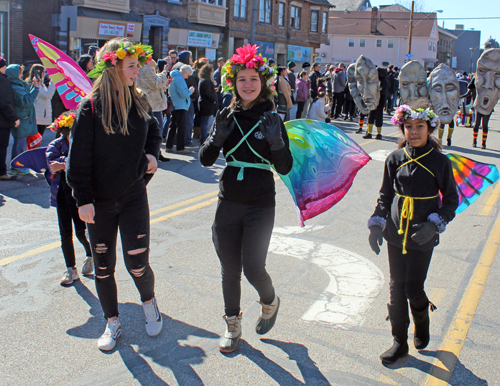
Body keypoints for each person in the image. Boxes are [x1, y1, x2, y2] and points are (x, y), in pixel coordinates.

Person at [67, 38, 163, 351]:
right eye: (132, 66)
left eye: (138, 65)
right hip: (100, 203)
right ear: (114, 67)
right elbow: (77, 160)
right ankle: (112, 322)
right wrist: (83, 199)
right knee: (104, 266)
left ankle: (148, 301)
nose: (138, 71)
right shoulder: (90, 108)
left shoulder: (140, 101)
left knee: (137, 264)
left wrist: (151, 154)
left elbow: (154, 131)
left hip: (133, 196)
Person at [199, 44, 293, 353]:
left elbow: (285, 167)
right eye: (242, 79)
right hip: (228, 201)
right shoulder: (226, 114)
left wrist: (277, 143)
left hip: (260, 204)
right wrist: (216, 138)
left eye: (254, 78)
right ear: (233, 83)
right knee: (230, 267)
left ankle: (270, 301)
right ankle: (232, 324)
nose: (248, 84)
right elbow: (205, 159)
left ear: (263, 82)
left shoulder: (272, 119)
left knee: (253, 267)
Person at [367, 103, 458, 365]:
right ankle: (399, 341)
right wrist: (376, 223)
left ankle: (422, 320)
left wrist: (434, 223)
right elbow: (385, 196)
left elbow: (451, 199)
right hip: (396, 231)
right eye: (408, 127)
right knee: (396, 287)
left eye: (419, 127)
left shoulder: (440, 162)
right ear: (402, 129)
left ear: (430, 129)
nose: (414, 132)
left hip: (423, 234)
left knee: (413, 287)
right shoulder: (395, 158)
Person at [45, 112, 93, 285]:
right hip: (61, 194)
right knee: (65, 232)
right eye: (69, 132)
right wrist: (67, 163)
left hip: (78, 193)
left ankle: (90, 255)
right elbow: (51, 164)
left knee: (82, 231)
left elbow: (87, 162)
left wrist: (64, 164)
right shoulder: (55, 145)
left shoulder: (82, 143)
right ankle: (70, 269)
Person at [5, 64, 40, 175]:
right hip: (22, 118)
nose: (21, 75)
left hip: (23, 117)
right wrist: (36, 88)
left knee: (21, 144)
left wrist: (33, 85)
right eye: (19, 72)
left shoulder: (18, 84)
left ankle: (18, 166)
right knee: (19, 144)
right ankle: (17, 167)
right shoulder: (15, 87)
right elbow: (26, 101)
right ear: (14, 75)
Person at [136, 58, 171, 162]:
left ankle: (156, 152)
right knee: (156, 129)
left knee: (156, 128)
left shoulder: (146, 69)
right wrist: (163, 74)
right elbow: (156, 83)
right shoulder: (146, 69)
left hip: (152, 103)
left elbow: (156, 86)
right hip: (152, 104)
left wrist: (164, 83)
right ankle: (154, 152)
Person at [166, 64, 195, 154]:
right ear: (185, 72)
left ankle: (169, 146)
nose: (187, 77)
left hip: (175, 105)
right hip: (180, 105)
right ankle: (180, 148)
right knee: (181, 127)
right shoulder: (179, 79)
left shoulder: (174, 77)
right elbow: (183, 93)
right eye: (187, 75)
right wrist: (190, 91)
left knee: (173, 126)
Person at [0, 57, 20, 180]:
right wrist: (14, 118)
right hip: (2, 121)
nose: (5, 68)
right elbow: (5, 103)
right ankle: (2, 172)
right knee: (2, 147)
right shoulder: (2, 81)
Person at [29, 64, 56, 136]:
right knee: (37, 139)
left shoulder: (40, 84)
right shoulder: (37, 85)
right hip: (39, 117)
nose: (44, 73)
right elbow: (48, 95)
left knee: (37, 139)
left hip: (40, 116)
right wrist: (53, 82)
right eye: (43, 72)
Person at [198, 63, 217, 145]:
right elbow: (208, 93)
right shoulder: (206, 81)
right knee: (205, 123)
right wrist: (213, 100)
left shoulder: (202, 80)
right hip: (207, 104)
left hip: (203, 103)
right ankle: (204, 138)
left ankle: (204, 137)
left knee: (204, 122)